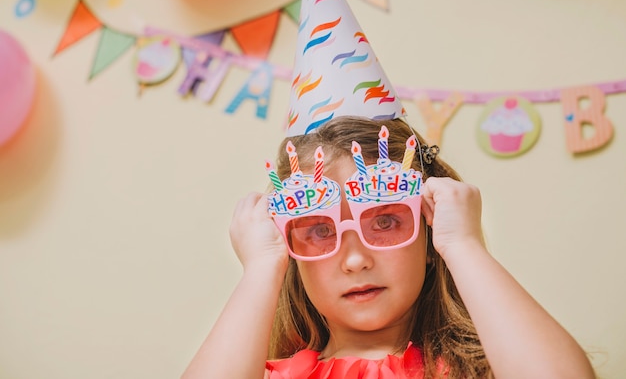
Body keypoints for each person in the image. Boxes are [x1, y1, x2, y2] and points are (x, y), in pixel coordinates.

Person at [181, 116, 595, 379]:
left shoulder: (484, 368)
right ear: (290, 250)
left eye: (384, 221)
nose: (357, 260)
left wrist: (464, 244)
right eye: (320, 229)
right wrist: (260, 269)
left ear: (430, 232)